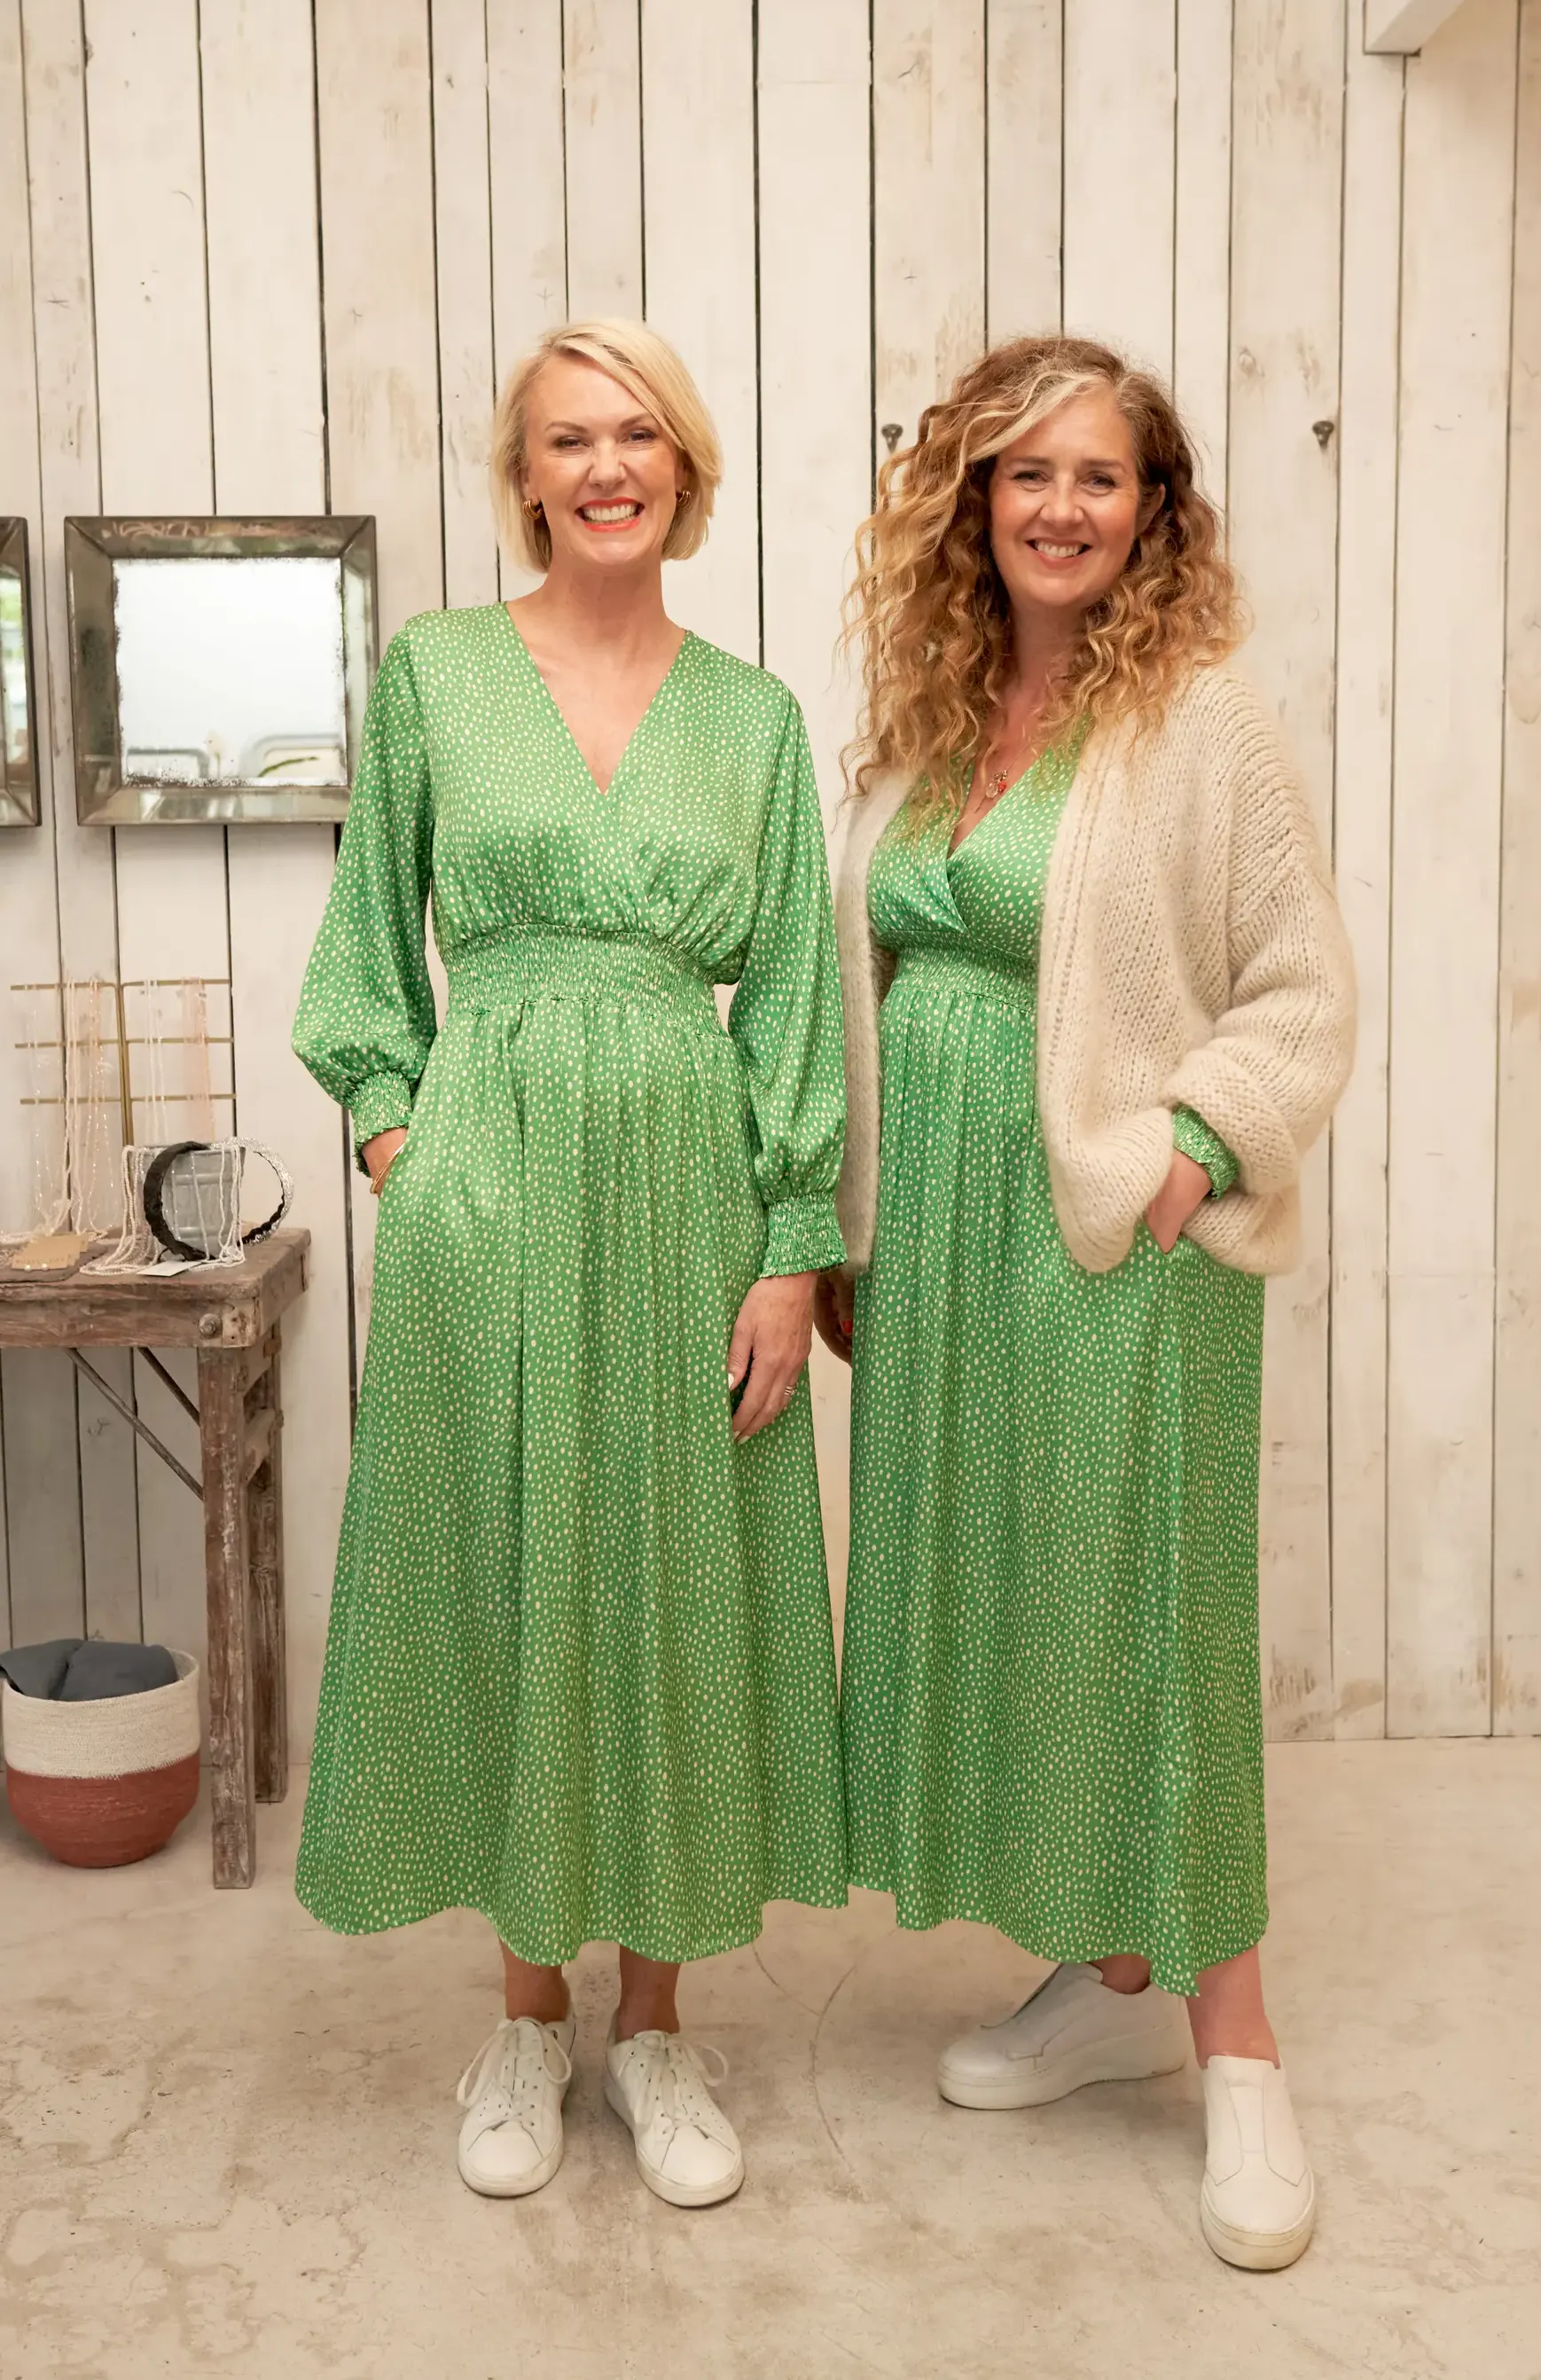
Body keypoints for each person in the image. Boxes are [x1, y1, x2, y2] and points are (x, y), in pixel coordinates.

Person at [293, 317, 849, 2211]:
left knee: (676, 1572)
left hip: (690, 1188)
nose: (606, 466)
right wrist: (401, 1144)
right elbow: (369, 949)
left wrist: (788, 1248)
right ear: (522, 476)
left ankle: (661, 2025)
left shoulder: (756, 717)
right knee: (516, 1565)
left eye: (639, 436)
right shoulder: (437, 678)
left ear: (685, 469)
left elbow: (786, 1001)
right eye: (567, 440)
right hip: (493, 1185)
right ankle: (527, 2013)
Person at [816, 334, 1355, 2269]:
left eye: (1101, 477)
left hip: (1108, 1230)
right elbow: (868, 986)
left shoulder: (1201, 720)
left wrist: (1190, 1158)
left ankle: (1240, 2045)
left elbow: (1300, 992)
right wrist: (854, 1232)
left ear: (1155, 509)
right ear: (974, 501)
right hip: (943, 1246)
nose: (1061, 506)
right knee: (1028, 1595)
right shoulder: (930, 721)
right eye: (1025, 473)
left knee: (1150, 1612)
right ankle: (1105, 1970)